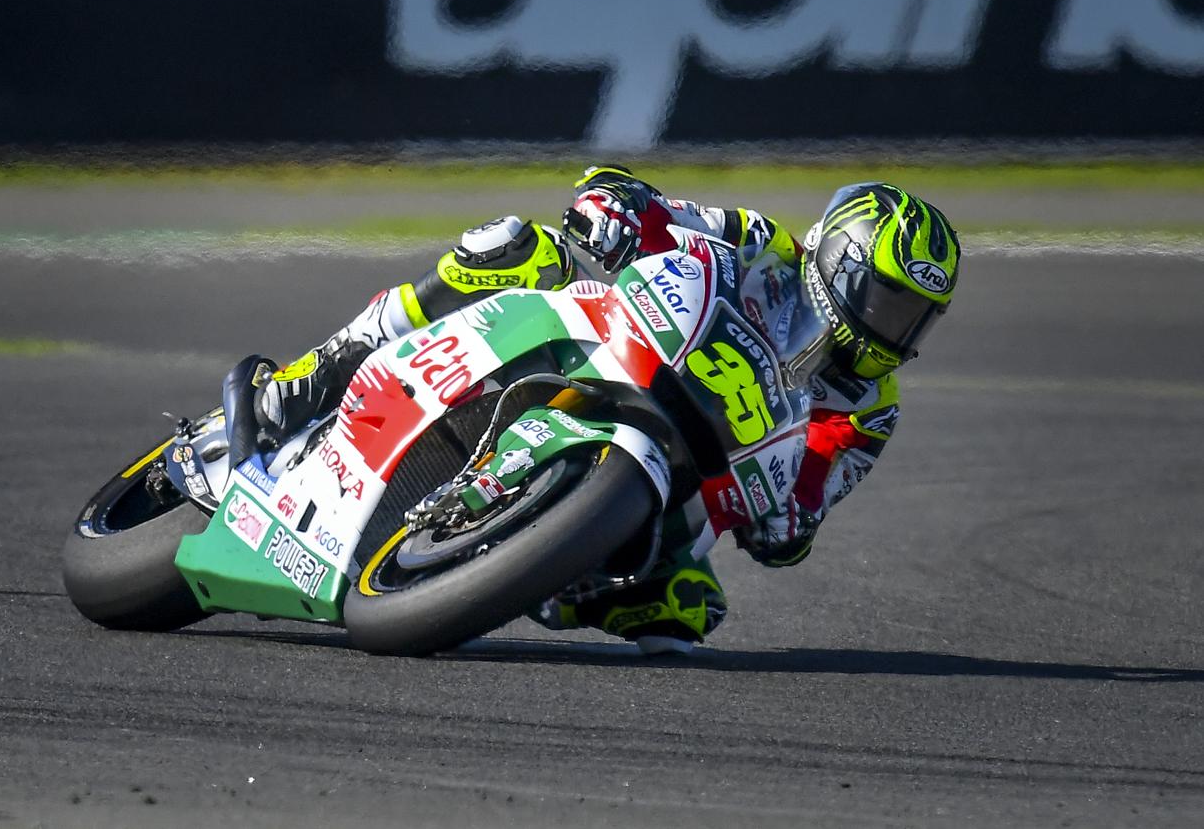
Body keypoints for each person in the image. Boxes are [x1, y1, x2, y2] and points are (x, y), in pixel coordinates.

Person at [239, 166, 961, 654]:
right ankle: (318, 372)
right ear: (837, 262)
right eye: (887, 301)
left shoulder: (873, 409)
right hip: (628, 352)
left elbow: (804, 512)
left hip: (694, 469)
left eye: (914, 319)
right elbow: (653, 209)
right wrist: (615, 208)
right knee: (518, 248)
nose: (892, 330)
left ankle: (551, 573)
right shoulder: (758, 240)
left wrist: (788, 521)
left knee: (685, 611)